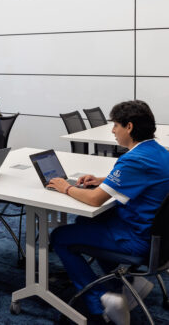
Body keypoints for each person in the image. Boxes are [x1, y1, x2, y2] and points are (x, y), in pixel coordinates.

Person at [49, 100, 169, 324]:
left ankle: (101, 300)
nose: (113, 131)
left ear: (129, 127)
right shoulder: (158, 152)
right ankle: (125, 284)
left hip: (138, 239)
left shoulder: (134, 159)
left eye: (115, 125)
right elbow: (140, 178)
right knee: (85, 222)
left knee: (60, 236)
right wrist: (102, 180)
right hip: (159, 239)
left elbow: (95, 200)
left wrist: (66, 188)